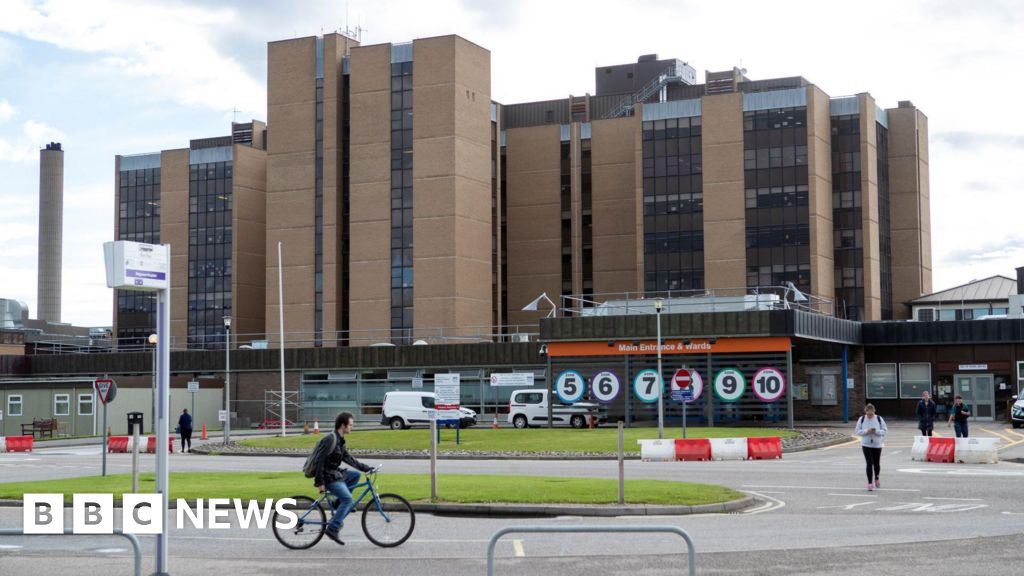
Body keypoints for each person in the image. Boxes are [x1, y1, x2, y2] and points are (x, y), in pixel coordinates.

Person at [312, 411, 375, 545]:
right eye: (351, 425)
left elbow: (349, 459)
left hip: (335, 473)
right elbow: (319, 461)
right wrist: (320, 482)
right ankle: (333, 528)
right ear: (343, 425)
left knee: (355, 476)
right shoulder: (330, 439)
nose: (352, 427)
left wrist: (367, 468)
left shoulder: (339, 440)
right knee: (348, 499)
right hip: (328, 477)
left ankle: (338, 503)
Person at [854, 403, 887, 491]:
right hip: (866, 444)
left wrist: (876, 431)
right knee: (869, 463)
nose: (869, 416)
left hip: (877, 444)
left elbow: (884, 430)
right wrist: (866, 431)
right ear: (865, 412)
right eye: (868, 414)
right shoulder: (862, 419)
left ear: (874, 412)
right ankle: (869, 483)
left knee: (876, 463)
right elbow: (857, 431)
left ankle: (876, 478)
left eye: (871, 414)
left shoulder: (879, 419)